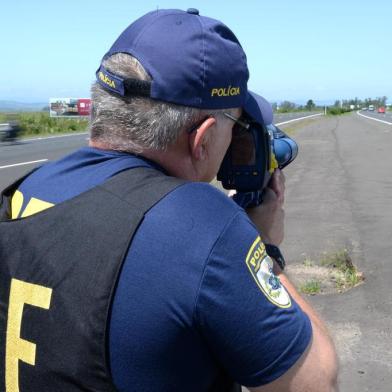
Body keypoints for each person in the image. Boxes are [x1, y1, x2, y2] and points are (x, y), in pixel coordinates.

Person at [0, 8, 338, 392]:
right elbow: (317, 380)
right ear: (203, 137)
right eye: (236, 127)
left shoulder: (28, 187)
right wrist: (266, 250)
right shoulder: (201, 226)